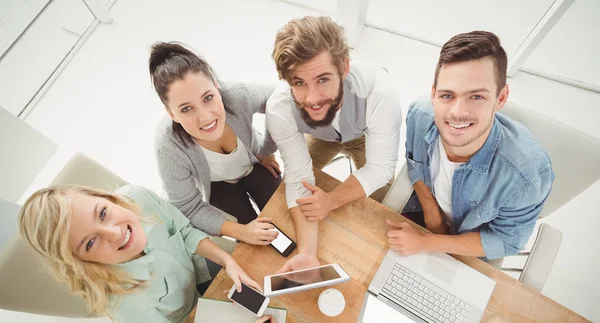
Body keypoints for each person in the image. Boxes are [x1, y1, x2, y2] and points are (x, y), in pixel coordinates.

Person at [18, 184, 281, 323]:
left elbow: (184, 231)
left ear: (106, 197)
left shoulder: (137, 197)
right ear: (80, 263)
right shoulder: (124, 301)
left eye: (102, 213)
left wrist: (228, 262)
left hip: (199, 273)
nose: (114, 233)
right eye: (90, 243)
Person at [387, 31, 554, 261]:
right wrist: (433, 219)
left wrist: (427, 242)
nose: (457, 113)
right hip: (425, 218)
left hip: (474, 242)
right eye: (447, 95)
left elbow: (507, 240)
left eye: (476, 97)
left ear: (501, 98)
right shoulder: (420, 114)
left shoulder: (527, 174)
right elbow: (415, 164)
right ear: (433, 94)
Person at [266, 16, 402, 272]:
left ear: (344, 67)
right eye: (299, 83)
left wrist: (332, 200)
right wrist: (307, 252)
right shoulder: (280, 108)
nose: (313, 98)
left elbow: (380, 168)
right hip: (320, 135)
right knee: (292, 187)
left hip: (365, 134)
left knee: (384, 202)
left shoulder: (379, 93)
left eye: (323, 79)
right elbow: (298, 175)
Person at [150, 41, 281, 246]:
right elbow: (189, 207)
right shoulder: (168, 147)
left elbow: (280, 101)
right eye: (186, 109)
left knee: (283, 213)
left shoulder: (237, 95)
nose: (205, 117)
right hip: (218, 187)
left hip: (255, 163)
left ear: (217, 87)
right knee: (253, 240)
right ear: (171, 114)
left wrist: (267, 149)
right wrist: (242, 231)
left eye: (208, 97)